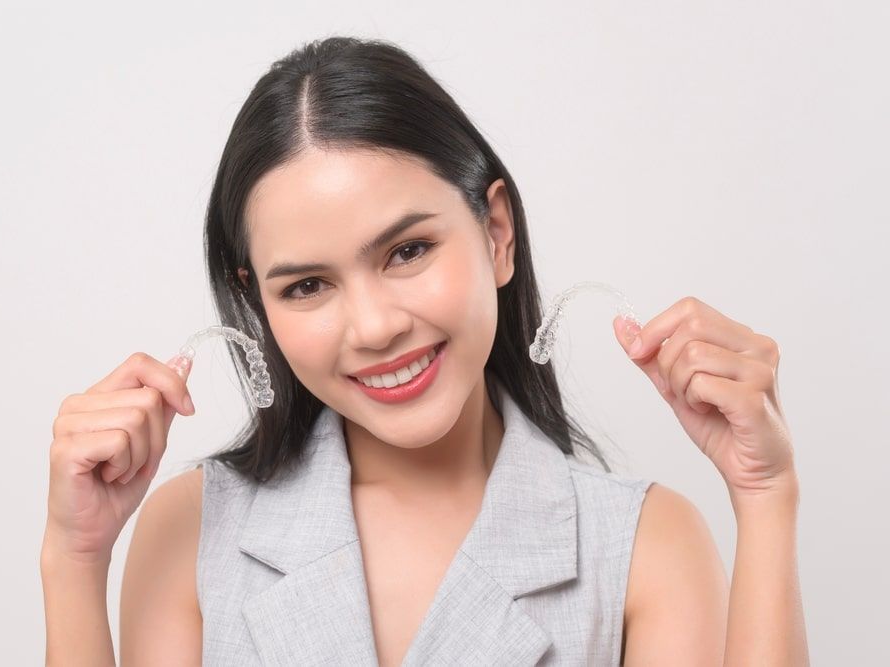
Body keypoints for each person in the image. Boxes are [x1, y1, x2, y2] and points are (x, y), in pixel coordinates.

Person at [41, 37, 808, 665]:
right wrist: (75, 560)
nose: (373, 327)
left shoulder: (643, 545)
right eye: (307, 285)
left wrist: (765, 496)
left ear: (496, 233)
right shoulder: (192, 528)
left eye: (407, 250)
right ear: (258, 304)